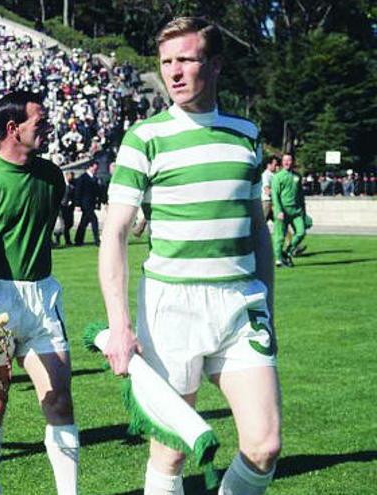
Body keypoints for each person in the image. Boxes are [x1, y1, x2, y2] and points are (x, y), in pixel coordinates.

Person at [99, 17, 280, 495]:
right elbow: (114, 231)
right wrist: (119, 324)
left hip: (242, 303)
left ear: (215, 65)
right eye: (166, 63)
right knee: (172, 451)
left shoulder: (246, 134)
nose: (173, 72)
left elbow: (257, 229)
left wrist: (269, 305)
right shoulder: (144, 137)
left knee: (264, 447)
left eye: (186, 59)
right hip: (170, 306)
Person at [0, 90, 79, 495]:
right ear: (13, 129)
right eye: (40, 122)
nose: (48, 128)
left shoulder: (51, 176)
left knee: (59, 398)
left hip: (43, 299)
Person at [271, 153, 307, 266]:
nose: (287, 162)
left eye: (289, 160)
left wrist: (304, 210)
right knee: (279, 236)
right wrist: (278, 211)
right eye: (285, 160)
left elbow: (301, 195)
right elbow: (275, 196)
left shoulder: (297, 176)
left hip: (296, 212)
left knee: (301, 232)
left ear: (293, 162)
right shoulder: (277, 177)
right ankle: (278, 259)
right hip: (283, 211)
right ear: (282, 162)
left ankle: (287, 252)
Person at [73, 160, 103, 246]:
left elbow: (97, 192)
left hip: (91, 203)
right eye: (95, 168)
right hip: (85, 203)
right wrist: (77, 204)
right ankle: (97, 240)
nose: (96, 170)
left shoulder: (95, 178)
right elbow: (78, 192)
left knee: (84, 222)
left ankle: (78, 240)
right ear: (90, 167)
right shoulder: (83, 178)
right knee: (94, 220)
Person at [261, 155, 279, 223]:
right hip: (267, 202)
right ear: (269, 165)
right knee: (261, 224)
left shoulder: (273, 175)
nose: (277, 167)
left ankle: (286, 233)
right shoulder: (266, 175)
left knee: (280, 222)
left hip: (273, 202)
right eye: (275, 165)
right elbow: (267, 191)